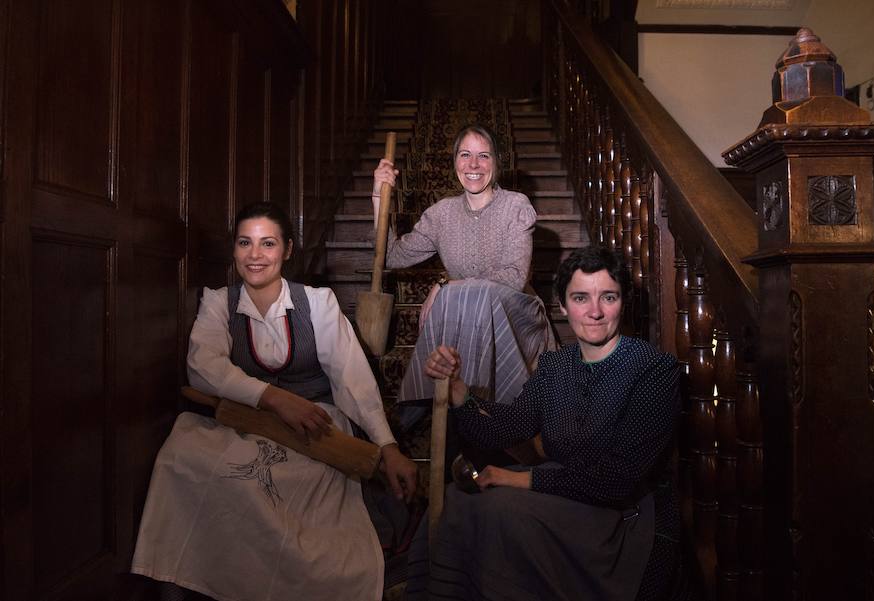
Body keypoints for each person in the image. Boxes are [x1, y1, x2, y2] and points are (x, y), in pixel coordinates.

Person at [131, 202, 417, 601]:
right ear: (234, 250)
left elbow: (353, 379)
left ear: (288, 249)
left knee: (284, 490)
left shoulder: (317, 303)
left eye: (268, 244)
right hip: (247, 420)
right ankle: (180, 578)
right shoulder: (218, 302)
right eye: (245, 243)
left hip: (316, 421)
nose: (255, 255)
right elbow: (202, 368)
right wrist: (273, 397)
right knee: (180, 457)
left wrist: (386, 446)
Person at [419, 246, 682, 601]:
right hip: (563, 499)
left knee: (499, 510)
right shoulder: (555, 366)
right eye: (580, 297)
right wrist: (458, 392)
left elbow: (617, 480)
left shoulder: (652, 369)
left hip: (623, 519)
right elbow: (501, 428)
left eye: (608, 297)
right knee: (458, 500)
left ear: (623, 302)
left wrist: (513, 478)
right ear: (562, 306)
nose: (594, 312)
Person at [372, 124, 556, 427]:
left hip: (516, 315)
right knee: (465, 302)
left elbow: (514, 276)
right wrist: (379, 198)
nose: (473, 165)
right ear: (454, 162)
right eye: (465, 155)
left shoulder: (515, 206)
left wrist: (446, 285)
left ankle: (428, 410)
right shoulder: (442, 214)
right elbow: (392, 256)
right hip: (466, 317)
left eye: (483, 156)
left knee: (468, 298)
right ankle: (455, 414)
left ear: (496, 163)